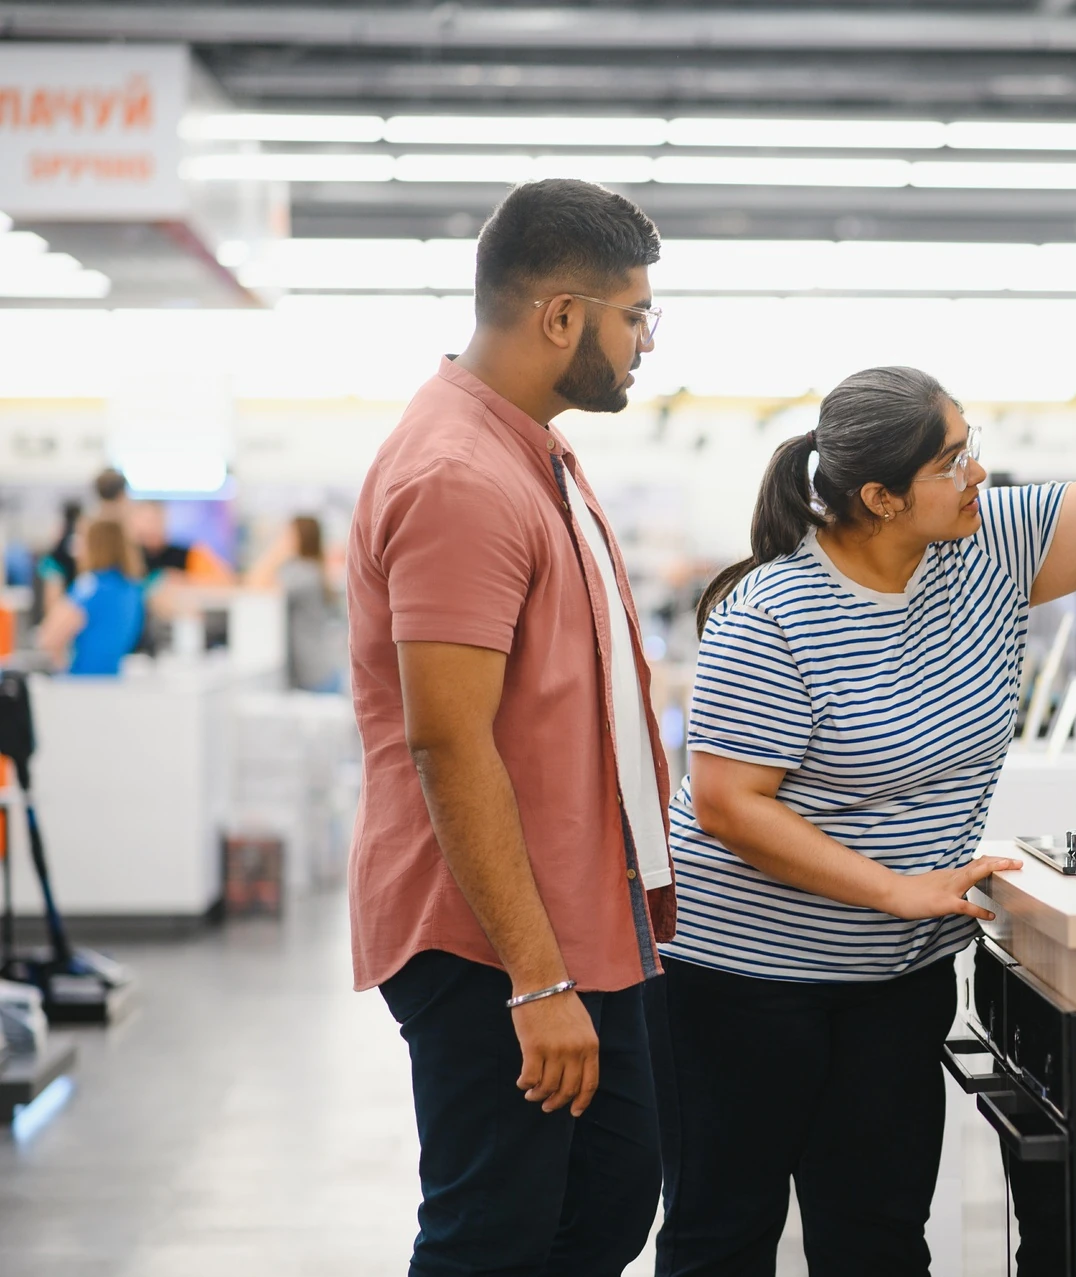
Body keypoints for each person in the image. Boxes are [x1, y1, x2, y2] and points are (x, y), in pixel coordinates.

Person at [649, 280, 1076, 1275]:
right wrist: (898, 888)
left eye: (970, 444)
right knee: (724, 1231)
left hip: (896, 973)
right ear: (882, 497)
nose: (980, 469)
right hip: (742, 977)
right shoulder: (772, 615)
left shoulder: (986, 550)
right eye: (952, 459)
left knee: (880, 1235)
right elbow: (726, 805)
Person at [344, 178, 674, 1277]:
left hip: (575, 908)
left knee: (609, 1196)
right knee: (495, 1232)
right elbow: (446, 737)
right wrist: (535, 978)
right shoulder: (459, 475)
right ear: (562, 317)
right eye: (636, 317)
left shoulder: (530, 448)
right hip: (487, 929)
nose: (644, 344)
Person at [244, 515, 346, 692]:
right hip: (319, 669)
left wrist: (277, 552)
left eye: (287, 535)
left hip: (314, 673)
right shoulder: (311, 569)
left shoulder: (303, 573)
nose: (283, 539)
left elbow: (254, 583)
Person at [36, 518, 145, 676]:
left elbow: (49, 638)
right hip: (112, 681)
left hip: (81, 683)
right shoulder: (132, 589)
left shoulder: (90, 585)